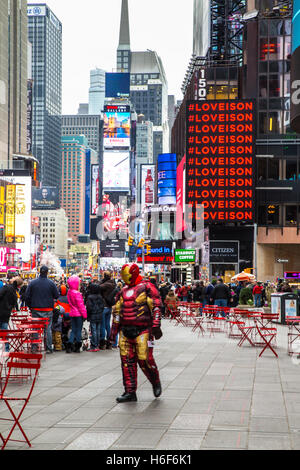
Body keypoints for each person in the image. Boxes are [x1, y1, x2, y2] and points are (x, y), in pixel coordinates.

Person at [109, 263, 163, 403]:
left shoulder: (146, 287)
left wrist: (156, 326)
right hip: (125, 331)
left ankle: (155, 381)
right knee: (127, 362)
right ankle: (129, 391)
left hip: (143, 330)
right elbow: (117, 313)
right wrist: (113, 333)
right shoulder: (122, 291)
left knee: (145, 359)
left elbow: (156, 306)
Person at [25, 266, 59, 354]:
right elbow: (56, 295)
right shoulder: (51, 283)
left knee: (35, 328)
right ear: (47, 272)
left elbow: (27, 296)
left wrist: (30, 306)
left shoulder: (32, 283)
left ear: (40, 272)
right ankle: (48, 348)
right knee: (47, 329)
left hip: (35, 309)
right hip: (48, 309)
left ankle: (34, 347)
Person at [0, 276, 23, 351]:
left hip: (1, 310)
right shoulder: (14, 291)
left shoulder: (6, 287)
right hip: (6, 313)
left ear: (14, 281)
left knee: (3, 330)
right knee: (5, 331)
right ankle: (6, 349)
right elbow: (14, 303)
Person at [66, 276, 87, 353]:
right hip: (78, 314)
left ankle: (70, 345)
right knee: (78, 330)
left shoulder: (69, 292)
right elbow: (81, 306)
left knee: (73, 330)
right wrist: (84, 315)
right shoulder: (77, 293)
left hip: (72, 313)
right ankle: (77, 346)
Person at [99, 271, 118, 350]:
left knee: (103, 325)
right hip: (109, 306)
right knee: (107, 325)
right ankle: (110, 342)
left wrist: (101, 281)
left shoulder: (106, 285)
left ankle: (103, 342)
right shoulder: (113, 284)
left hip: (104, 306)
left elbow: (98, 287)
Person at [86, 283, 104, 352]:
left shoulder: (90, 297)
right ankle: (97, 344)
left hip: (93, 315)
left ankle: (94, 345)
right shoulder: (100, 296)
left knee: (93, 330)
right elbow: (102, 306)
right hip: (99, 314)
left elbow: (89, 307)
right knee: (98, 330)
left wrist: (88, 315)